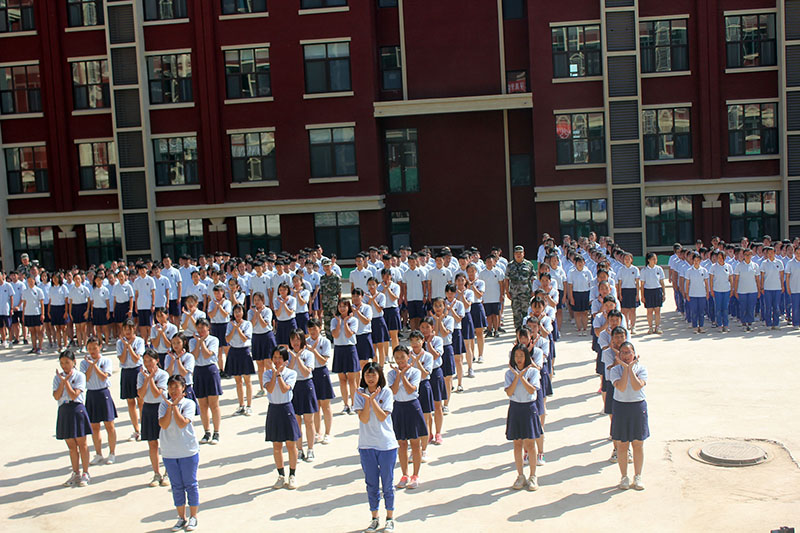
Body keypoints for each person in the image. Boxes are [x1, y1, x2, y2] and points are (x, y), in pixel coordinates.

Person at [355, 362, 397, 533]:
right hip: (366, 445)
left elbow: (382, 417)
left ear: (379, 376)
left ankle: (390, 518)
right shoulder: (359, 393)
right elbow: (364, 419)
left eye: (373, 374)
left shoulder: (386, 392)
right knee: (371, 484)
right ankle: (374, 518)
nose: (370, 378)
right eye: (367, 375)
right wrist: (368, 401)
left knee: (388, 484)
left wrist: (373, 401)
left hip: (386, 445)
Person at [158, 374, 200, 532]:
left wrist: (175, 406)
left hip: (188, 450)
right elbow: (164, 423)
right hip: (169, 452)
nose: (173, 390)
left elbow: (183, 424)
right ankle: (181, 517)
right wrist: (170, 406)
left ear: (184, 388)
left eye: (177, 387)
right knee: (177, 486)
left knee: (191, 484)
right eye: (171, 387)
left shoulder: (188, 404)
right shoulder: (163, 405)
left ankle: (193, 516)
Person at [610, 341, 648, 491]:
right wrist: (625, 369)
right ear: (618, 355)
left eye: (629, 352)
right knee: (622, 444)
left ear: (634, 354)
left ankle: (638, 476)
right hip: (620, 407)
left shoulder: (642, 368)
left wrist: (630, 368)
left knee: (638, 443)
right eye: (623, 353)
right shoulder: (614, 370)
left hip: (637, 406)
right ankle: (624, 476)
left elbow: (638, 385)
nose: (626, 356)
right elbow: (621, 386)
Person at [388, 345, 427, 490]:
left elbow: (411, 389)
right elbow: (393, 390)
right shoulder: (391, 374)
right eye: (397, 358)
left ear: (408, 357)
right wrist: (398, 375)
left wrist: (403, 375)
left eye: (402, 357)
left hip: (412, 407)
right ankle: (404, 474)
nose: (400, 360)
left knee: (415, 444)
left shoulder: (415, 372)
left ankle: (415, 475)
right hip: (398, 407)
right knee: (402, 444)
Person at [505, 343, 541, 491]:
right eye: (516, 356)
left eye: (522, 356)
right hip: (515, 407)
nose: (519, 359)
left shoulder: (533, 372)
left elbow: (531, 389)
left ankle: (533, 476)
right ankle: (520, 475)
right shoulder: (508, 373)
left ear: (527, 357)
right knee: (517, 444)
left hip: (529, 408)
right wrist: (516, 376)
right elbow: (509, 392)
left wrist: (521, 376)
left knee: (530, 444)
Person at [264, 346, 301, 490]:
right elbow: (270, 389)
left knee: (291, 444)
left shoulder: (291, 373)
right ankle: (280, 475)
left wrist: (279, 375)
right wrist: (275, 374)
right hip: (273, 408)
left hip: (287, 408)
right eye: (275, 357)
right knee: (277, 445)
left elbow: (286, 389)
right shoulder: (267, 374)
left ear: (285, 360)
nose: (277, 360)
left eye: (280, 357)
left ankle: (292, 475)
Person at [54, 349, 92, 487]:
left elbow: (74, 395)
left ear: (74, 362)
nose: (64, 366)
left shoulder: (79, 376)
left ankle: (85, 472)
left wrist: (67, 382)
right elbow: (56, 396)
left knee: (82, 443)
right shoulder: (58, 377)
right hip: (64, 410)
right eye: (62, 363)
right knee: (71, 446)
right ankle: (75, 472)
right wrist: (62, 382)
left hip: (77, 409)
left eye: (67, 362)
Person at [80, 336, 117, 465]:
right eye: (89, 348)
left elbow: (103, 377)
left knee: (109, 425)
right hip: (91, 394)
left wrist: (95, 365)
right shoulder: (84, 363)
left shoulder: (106, 360)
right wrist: (90, 365)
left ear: (100, 347)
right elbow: (86, 378)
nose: (92, 351)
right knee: (94, 426)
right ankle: (98, 453)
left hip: (103, 392)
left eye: (94, 348)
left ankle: (112, 453)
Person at [138, 349, 169, 487]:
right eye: (145, 361)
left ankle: (168, 472)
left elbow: (158, 394)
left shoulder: (163, 374)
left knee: (165, 442)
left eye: (150, 360)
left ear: (157, 360)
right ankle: (156, 473)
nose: (147, 364)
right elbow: (141, 394)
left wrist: (150, 379)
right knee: (152, 443)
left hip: (161, 408)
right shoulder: (141, 375)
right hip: (148, 408)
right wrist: (147, 379)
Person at [189, 317, 222, 445]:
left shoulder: (214, 340)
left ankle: (216, 432)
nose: (201, 330)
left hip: (211, 370)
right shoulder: (193, 341)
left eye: (203, 327)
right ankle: (206, 431)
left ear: (208, 328)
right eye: (199, 327)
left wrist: (202, 342)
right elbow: (195, 356)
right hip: (199, 371)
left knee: (214, 404)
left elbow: (208, 354)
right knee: (202, 404)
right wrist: (198, 342)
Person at [287, 329, 318, 462]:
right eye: (293, 339)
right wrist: (293, 357)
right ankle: (299, 450)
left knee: (309, 421)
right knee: (297, 421)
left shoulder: (309, 354)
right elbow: (289, 370)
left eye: (298, 339)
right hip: (294, 387)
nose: (295, 342)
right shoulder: (287, 355)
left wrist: (298, 357)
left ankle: (310, 449)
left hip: (306, 386)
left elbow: (306, 373)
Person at [307, 318, 334, 444]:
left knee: (325, 405)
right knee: (315, 406)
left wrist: (314, 351)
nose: (312, 331)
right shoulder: (305, 342)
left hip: (322, 372)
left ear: (320, 328)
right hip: (311, 374)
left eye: (315, 328)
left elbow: (324, 360)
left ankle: (328, 433)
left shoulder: (325, 342)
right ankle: (318, 432)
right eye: (310, 328)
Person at [117, 318, 145, 441]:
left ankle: (144, 428)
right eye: (125, 329)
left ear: (134, 329)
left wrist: (129, 346)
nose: (127, 332)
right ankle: (136, 429)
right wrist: (125, 346)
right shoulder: (119, 343)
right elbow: (122, 359)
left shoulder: (139, 341)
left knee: (141, 401)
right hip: (126, 372)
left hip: (137, 371)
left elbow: (136, 358)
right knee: (130, 402)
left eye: (129, 329)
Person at [225, 303, 255, 416]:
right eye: (236, 312)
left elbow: (244, 339)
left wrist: (238, 329)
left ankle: (249, 405)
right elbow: (227, 338)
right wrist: (234, 328)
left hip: (244, 351)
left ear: (243, 312)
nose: (238, 314)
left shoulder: (247, 324)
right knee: (238, 381)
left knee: (247, 380)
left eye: (240, 311)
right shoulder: (230, 324)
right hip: (234, 351)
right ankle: (241, 405)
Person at [331, 298, 359, 414]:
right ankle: (345, 405)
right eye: (340, 306)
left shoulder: (353, 320)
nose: (342, 308)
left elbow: (348, 335)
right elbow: (335, 335)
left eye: (344, 306)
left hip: (350, 349)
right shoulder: (334, 320)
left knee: (352, 380)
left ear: (349, 307)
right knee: (342, 379)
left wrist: (346, 322)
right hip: (339, 349)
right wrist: (339, 322)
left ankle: (354, 404)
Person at [249, 292, 276, 397]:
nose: (257, 302)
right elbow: (252, 324)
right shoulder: (251, 312)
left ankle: (271, 385)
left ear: (263, 301)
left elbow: (265, 324)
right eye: (255, 300)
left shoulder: (267, 310)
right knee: (259, 365)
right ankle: (261, 388)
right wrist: (255, 313)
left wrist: (259, 314)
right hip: (256, 337)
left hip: (266, 337)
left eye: (258, 300)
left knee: (268, 363)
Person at [165, 333, 198, 411]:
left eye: (178, 342)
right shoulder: (168, 357)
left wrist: (178, 360)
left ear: (184, 342)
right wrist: (173, 360)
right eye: (173, 343)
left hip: (185, 387)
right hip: (173, 388)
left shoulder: (189, 356)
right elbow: (168, 373)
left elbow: (184, 373)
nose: (175, 345)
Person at [506, 246, 535, 330]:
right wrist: (507, 292)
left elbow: (533, 278)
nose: (518, 255)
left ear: (523, 254)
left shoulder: (528, 264)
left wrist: (533, 290)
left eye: (520, 253)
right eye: (516, 253)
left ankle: (527, 332)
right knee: (516, 315)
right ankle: (519, 333)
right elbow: (506, 279)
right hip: (514, 295)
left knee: (526, 314)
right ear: (514, 254)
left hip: (526, 295)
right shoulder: (510, 266)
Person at [733, 249, 760, 331]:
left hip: (753, 290)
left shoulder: (755, 266)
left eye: (749, 254)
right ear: (743, 255)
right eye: (746, 254)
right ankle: (744, 323)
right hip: (742, 290)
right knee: (743, 308)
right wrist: (735, 290)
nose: (747, 256)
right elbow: (736, 279)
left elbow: (757, 279)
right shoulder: (739, 266)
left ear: (751, 255)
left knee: (751, 308)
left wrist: (759, 290)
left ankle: (750, 323)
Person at [566, 256, 593, 335]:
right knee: (577, 312)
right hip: (576, 293)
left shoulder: (587, 272)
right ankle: (579, 329)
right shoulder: (571, 272)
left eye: (582, 262)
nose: (580, 264)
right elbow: (570, 286)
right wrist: (571, 297)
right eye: (578, 262)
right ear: (575, 263)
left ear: (584, 263)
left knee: (585, 312)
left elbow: (591, 285)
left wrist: (590, 297)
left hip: (586, 293)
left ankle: (584, 329)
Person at [684, 252, 710, 333]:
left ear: (700, 261)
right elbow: (687, 283)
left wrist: (707, 293)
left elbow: (706, 282)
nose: (696, 262)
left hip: (702, 294)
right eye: (695, 260)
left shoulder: (704, 270)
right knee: (694, 312)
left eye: (698, 260)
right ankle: (695, 326)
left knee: (701, 312)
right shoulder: (689, 271)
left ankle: (701, 326)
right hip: (693, 294)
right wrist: (687, 294)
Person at [760, 246, 785, 330]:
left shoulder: (779, 262)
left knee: (776, 306)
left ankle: (776, 323)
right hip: (767, 288)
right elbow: (762, 276)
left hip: (777, 288)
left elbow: (781, 276)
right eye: (768, 253)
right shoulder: (764, 263)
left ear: (774, 253)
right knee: (768, 306)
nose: (770, 254)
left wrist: (782, 286)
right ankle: (768, 323)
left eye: (772, 252)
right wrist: (762, 287)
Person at [479, 255, 505, 338]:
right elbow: (479, 286)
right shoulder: (482, 273)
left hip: (496, 297)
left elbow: (501, 284)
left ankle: (496, 330)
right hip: (486, 297)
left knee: (496, 315)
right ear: (485, 263)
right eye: (487, 262)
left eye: (491, 262)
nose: (489, 263)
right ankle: (489, 330)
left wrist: (502, 295)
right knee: (488, 315)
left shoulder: (498, 271)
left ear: (494, 262)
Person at [366, 278, 390, 366]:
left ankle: (381, 366)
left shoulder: (381, 296)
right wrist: (370, 299)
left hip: (379, 321)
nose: (371, 286)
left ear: (377, 285)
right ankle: (374, 365)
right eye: (369, 284)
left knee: (380, 345)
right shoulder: (365, 296)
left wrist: (373, 300)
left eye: (373, 284)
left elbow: (379, 309)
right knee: (373, 346)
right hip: (370, 321)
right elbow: (365, 308)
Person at [640, 253, 665, 334]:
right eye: (653, 259)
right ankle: (650, 327)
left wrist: (664, 293)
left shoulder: (659, 269)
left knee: (657, 310)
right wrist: (642, 296)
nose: (655, 260)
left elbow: (662, 282)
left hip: (657, 290)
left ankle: (657, 327)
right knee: (649, 310)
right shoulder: (644, 270)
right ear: (648, 260)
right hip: (648, 291)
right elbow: (642, 284)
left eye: (656, 259)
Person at [709, 251, 734, 333]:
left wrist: (732, 289)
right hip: (717, 290)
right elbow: (711, 279)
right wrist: (712, 290)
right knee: (718, 308)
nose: (719, 259)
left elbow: (731, 279)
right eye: (718, 257)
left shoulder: (728, 267)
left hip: (726, 290)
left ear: (724, 258)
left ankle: (726, 325)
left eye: (721, 257)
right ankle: (719, 324)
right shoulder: (713, 267)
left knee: (725, 308)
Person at [21, 274, 46, 354]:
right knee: (32, 331)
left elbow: (42, 303)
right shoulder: (25, 291)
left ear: (34, 281)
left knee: (39, 331)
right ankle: (34, 347)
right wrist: (23, 315)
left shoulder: (39, 290)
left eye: (31, 281)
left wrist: (42, 314)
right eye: (28, 281)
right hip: (28, 313)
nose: (30, 283)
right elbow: (24, 304)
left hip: (37, 313)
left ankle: (40, 347)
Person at [616, 253, 640, 335]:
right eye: (625, 259)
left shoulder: (635, 269)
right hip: (624, 290)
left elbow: (637, 283)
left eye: (628, 259)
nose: (626, 260)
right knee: (625, 310)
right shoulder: (621, 269)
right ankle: (625, 326)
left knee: (633, 310)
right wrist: (619, 294)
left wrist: (637, 294)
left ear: (631, 260)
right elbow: (619, 282)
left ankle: (633, 326)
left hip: (632, 290)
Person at [319, 259, 342, 341]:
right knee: (326, 320)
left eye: (328, 266)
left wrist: (339, 303)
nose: (327, 268)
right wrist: (321, 304)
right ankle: (328, 338)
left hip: (334, 302)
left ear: (331, 266)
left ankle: (335, 337)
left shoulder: (336, 277)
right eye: (325, 266)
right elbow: (321, 292)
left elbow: (339, 291)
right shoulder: (322, 278)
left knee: (335, 319)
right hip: (325, 302)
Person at [379, 268, 401, 351]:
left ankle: (395, 353)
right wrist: (384, 288)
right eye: (384, 276)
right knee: (385, 334)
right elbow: (380, 298)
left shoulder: (396, 286)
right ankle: (386, 355)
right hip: (383, 310)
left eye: (388, 276)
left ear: (391, 276)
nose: (386, 278)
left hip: (393, 310)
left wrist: (388, 288)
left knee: (394, 334)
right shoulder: (379, 287)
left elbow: (394, 298)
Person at [352, 288, 375, 368]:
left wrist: (357, 312)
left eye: (357, 296)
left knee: (364, 360)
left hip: (364, 335)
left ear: (362, 296)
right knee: (355, 360)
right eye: (353, 296)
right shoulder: (349, 308)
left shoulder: (367, 307)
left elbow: (366, 321)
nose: (355, 298)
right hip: (353, 336)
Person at [89, 274, 111, 351]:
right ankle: (100, 343)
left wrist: (108, 312)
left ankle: (107, 343)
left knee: (105, 328)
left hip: (103, 309)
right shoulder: (93, 290)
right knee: (98, 328)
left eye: (100, 280)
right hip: (96, 310)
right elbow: (92, 302)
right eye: (97, 280)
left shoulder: (105, 290)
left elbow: (107, 302)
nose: (98, 281)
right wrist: (91, 312)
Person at [49, 273, 70, 352]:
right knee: (57, 328)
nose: (55, 280)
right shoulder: (51, 288)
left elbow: (66, 301)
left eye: (56, 278)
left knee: (63, 328)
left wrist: (66, 311)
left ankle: (65, 344)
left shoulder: (63, 288)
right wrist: (49, 311)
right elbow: (50, 301)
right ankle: (59, 345)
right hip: (54, 309)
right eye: (53, 278)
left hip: (62, 308)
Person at [787, 246, 800, 329]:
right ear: (795, 253)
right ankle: (796, 323)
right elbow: (787, 276)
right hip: (794, 288)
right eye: (797, 253)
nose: (799, 255)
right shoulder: (790, 263)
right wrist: (788, 288)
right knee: (795, 307)